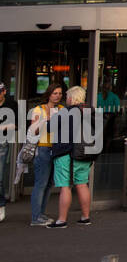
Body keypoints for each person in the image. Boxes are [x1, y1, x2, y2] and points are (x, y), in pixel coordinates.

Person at [48, 86, 94, 228]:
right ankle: (85, 217)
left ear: (71, 98)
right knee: (82, 184)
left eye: (67, 96)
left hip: (66, 154)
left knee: (65, 187)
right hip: (85, 154)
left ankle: (62, 220)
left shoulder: (66, 112)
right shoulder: (91, 111)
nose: (66, 98)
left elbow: (50, 128)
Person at [27, 83, 64, 226]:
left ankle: (41, 213)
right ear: (49, 94)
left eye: (60, 93)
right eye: (55, 93)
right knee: (41, 183)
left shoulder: (62, 110)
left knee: (50, 183)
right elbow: (33, 131)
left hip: (56, 148)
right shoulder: (39, 109)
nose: (57, 96)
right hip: (42, 148)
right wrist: (45, 121)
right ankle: (35, 217)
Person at [0, 81, 17, 222]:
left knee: (0, 177)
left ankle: (1, 206)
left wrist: (4, 127)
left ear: (4, 91)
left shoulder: (11, 104)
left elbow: (17, 124)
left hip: (3, 142)